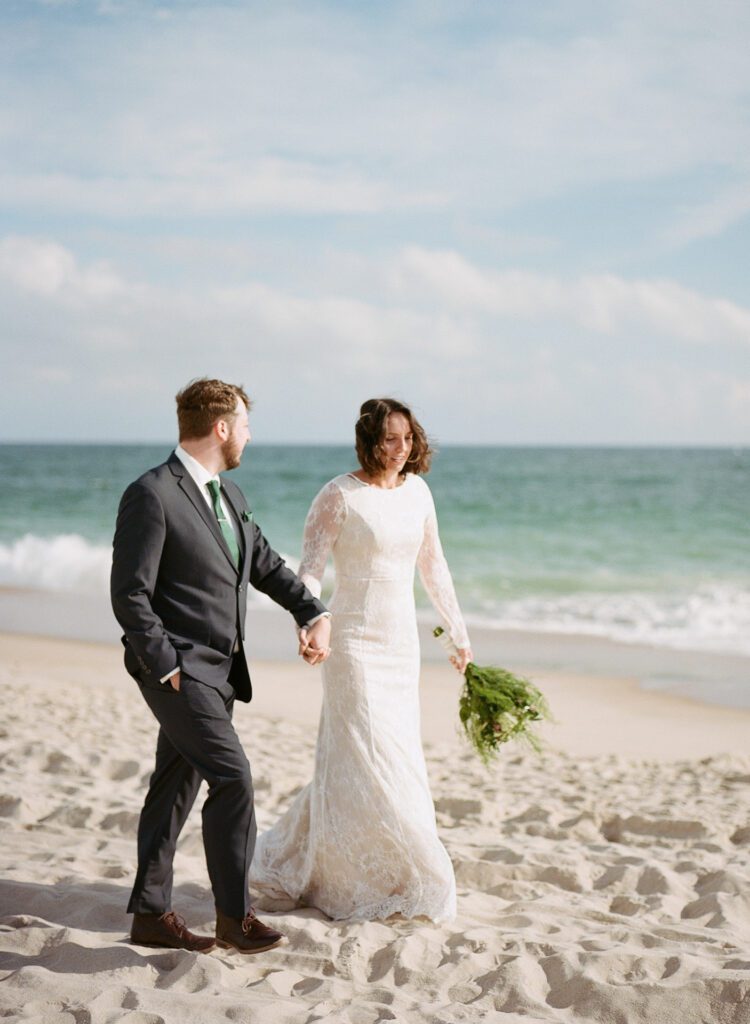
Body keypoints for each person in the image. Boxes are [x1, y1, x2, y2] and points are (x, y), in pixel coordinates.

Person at [110, 378, 332, 954]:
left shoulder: (229, 495)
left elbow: (262, 563)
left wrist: (310, 610)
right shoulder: (152, 493)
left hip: (221, 670)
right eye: (246, 425)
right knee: (233, 779)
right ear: (222, 427)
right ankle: (234, 917)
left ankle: (151, 914)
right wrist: (164, 666)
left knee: (174, 785)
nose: (251, 436)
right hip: (178, 672)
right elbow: (130, 593)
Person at [249, 397, 472, 922]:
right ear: (369, 440)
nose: (401, 449)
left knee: (394, 753)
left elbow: (434, 565)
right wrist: (309, 623)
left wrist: (456, 635)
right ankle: (363, 873)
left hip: (400, 644)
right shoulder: (338, 495)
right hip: (350, 644)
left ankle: (382, 866)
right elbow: (308, 571)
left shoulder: (418, 492)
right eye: (390, 439)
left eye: (408, 439)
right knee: (366, 752)